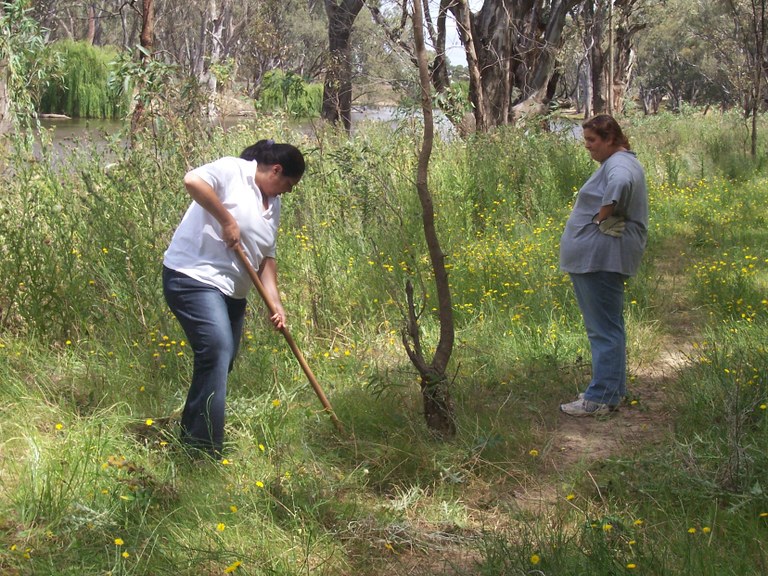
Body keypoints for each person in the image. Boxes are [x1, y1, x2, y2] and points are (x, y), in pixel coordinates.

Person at [163, 139, 305, 455]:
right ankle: (204, 452)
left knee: (219, 362)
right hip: (193, 278)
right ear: (277, 170)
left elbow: (267, 257)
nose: (289, 192)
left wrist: (275, 301)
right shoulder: (233, 170)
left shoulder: (274, 203)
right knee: (216, 349)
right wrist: (228, 220)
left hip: (233, 293)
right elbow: (192, 181)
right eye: (289, 184)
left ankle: (188, 438)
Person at [559, 115, 648, 417]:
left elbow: (620, 184)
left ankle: (600, 399)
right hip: (599, 258)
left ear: (611, 139)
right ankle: (609, 390)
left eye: (592, 141)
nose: (588, 147)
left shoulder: (620, 165)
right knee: (608, 327)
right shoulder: (621, 161)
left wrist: (601, 216)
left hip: (598, 259)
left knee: (603, 330)